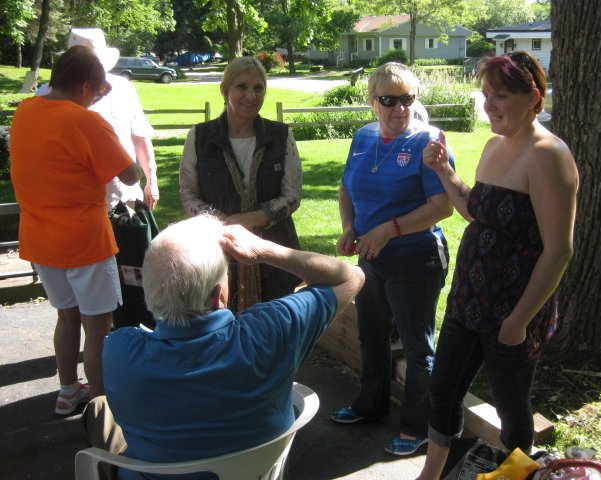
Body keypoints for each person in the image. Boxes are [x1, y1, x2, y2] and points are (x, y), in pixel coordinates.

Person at [81, 214, 364, 480]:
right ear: (217, 295)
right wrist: (265, 250)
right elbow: (352, 276)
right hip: (256, 473)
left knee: (99, 408)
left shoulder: (118, 351)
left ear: (150, 293)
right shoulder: (273, 331)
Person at [416, 51, 579, 480]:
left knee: (511, 408)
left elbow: (559, 250)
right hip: (468, 298)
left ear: (534, 98)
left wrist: (519, 320)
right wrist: (443, 171)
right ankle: (430, 474)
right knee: (443, 390)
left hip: (513, 310)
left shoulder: (549, 155)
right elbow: (477, 210)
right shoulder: (494, 146)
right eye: (486, 94)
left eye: (501, 96)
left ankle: (514, 476)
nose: (489, 105)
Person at [330, 62, 454, 456]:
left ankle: (418, 427)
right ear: (372, 101)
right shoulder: (363, 136)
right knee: (370, 333)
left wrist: (388, 230)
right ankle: (371, 404)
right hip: (371, 256)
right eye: (388, 99)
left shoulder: (429, 141)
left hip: (415, 259)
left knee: (417, 348)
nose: (399, 108)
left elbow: (443, 206)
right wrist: (350, 226)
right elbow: (346, 188)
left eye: (407, 98)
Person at [9, 45, 139, 414]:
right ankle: (101, 405)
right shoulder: (86, 121)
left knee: (66, 317)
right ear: (85, 87)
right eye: (97, 91)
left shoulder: (26, 111)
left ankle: (68, 391)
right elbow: (130, 175)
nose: (97, 97)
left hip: (40, 239)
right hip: (84, 240)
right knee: (98, 326)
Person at [179, 56, 302, 312]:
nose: (251, 96)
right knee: (222, 318)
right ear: (225, 90)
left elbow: (292, 196)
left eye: (258, 88)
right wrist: (225, 224)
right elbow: (189, 195)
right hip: (218, 250)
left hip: (274, 252)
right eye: (242, 87)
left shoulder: (281, 136)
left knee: (276, 322)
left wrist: (251, 219)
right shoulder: (200, 137)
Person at [37, 27, 159, 211]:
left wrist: (152, 180)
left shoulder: (123, 87)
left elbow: (139, 135)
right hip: (75, 206)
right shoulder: (45, 94)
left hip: (126, 198)